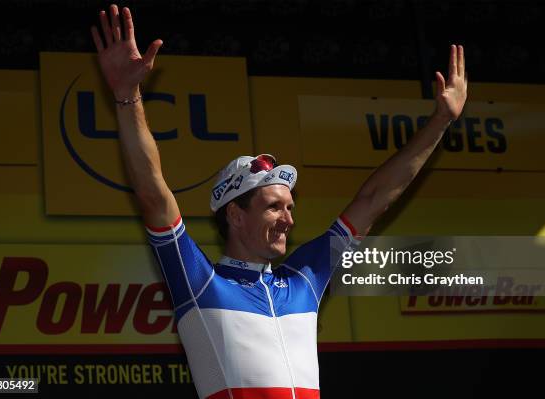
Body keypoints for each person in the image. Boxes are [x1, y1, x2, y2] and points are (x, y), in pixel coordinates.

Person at [91, 4, 467, 399]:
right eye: (273, 206)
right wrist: (127, 95)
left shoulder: (303, 278)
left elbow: (374, 199)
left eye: (290, 207)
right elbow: (152, 191)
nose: (288, 219)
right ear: (235, 214)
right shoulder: (200, 282)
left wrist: (439, 122)